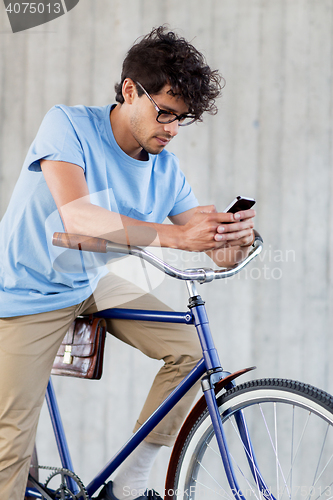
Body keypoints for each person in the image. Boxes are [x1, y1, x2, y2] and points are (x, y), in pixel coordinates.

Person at [0, 26, 256, 500]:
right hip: (25, 291)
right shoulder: (68, 126)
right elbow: (77, 216)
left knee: (191, 353)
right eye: (164, 113)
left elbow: (212, 251)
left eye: (182, 119)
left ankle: (129, 483)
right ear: (129, 91)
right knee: (8, 451)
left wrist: (234, 239)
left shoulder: (165, 169)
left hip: (92, 283)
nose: (172, 129)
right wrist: (179, 236)